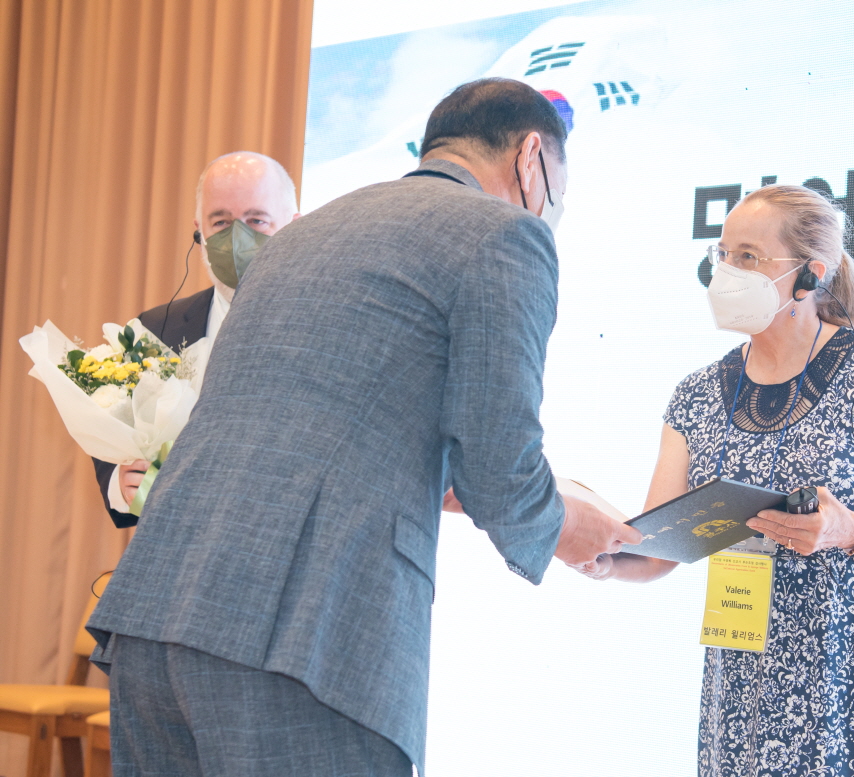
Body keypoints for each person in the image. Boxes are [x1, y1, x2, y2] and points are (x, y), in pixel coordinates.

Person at [86, 77, 640, 777]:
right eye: (560, 183)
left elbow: (338, 430)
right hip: (299, 637)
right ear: (532, 158)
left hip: (153, 615)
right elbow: (499, 463)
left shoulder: (300, 237)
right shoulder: (505, 235)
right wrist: (567, 528)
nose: (555, 207)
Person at [576, 185, 854, 775]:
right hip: (745, 676)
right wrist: (603, 559)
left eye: (748, 257)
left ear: (809, 276)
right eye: (722, 255)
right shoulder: (696, 395)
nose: (726, 272)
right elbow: (658, 549)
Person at [93, 151, 301, 527]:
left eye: (256, 220)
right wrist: (123, 486)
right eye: (220, 222)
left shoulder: (332, 328)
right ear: (198, 232)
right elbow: (117, 438)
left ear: (294, 227)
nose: (236, 237)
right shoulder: (155, 329)